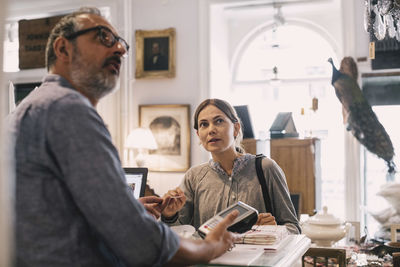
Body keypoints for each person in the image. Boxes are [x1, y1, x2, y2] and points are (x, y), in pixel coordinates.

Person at [8, 7, 238, 267]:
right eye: (104, 37)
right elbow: (139, 241)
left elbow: (51, 214)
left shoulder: (33, 106)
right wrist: (208, 249)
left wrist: (130, 208)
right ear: (63, 49)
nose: (120, 49)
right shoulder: (68, 109)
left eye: (121, 43)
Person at [161, 98, 301, 234]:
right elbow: (179, 234)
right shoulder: (193, 177)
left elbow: (293, 228)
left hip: (257, 257)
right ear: (198, 135)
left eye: (219, 121)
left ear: (236, 128)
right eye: (204, 124)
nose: (211, 130)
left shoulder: (265, 168)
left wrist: (273, 230)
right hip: (210, 258)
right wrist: (169, 216)